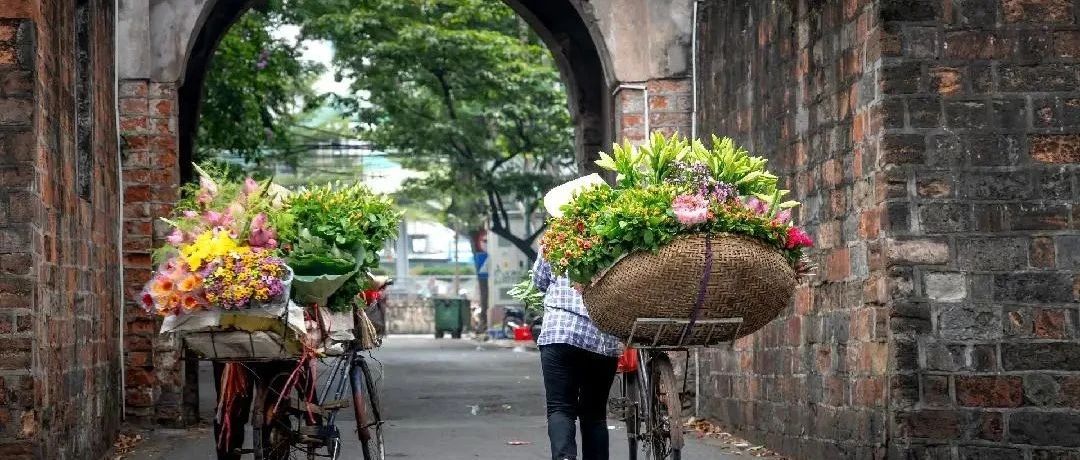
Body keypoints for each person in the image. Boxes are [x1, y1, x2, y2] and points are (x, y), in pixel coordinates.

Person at [532, 255, 621, 460]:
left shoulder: (558, 236)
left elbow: (539, 280)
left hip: (559, 332)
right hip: (601, 337)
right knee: (594, 414)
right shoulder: (615, 239)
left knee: (560, 408)